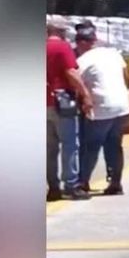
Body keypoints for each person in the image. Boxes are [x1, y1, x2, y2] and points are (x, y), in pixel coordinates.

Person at [74, 25, 129, 195]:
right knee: (114, 145)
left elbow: (76, 84)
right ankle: (116, 183)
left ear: (82, 43)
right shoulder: (114, 54)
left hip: (102, 108)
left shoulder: (82, 61)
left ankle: (83, 183)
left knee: (90, 146)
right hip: (122, 107)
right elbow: (128, 79)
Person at [47, 19, 92, 201]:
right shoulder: (62, 47)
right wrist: (85, 94)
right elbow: (71, 73)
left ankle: (53, 187)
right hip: (62, 102)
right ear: (60, 31)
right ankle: (71, 185)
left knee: (49, 148)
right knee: (69, 144)